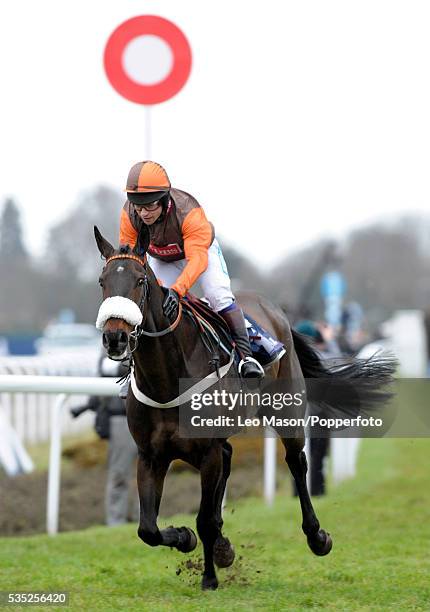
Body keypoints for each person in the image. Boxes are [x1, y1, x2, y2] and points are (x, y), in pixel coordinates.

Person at [118, 160, 264, 379]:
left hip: (198, 252)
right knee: (152, 301)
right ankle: (135, 368)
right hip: (162, 257)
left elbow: (197, 260)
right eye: (139, 207)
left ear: (164, 199)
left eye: (149, 206)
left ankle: (246, 357)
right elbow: (131, 259)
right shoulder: (130, 215)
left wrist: (177, 290)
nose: (144, 214)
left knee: (218, 295)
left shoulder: (189, 212)